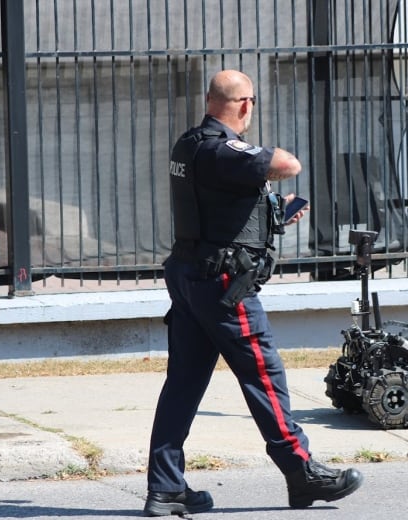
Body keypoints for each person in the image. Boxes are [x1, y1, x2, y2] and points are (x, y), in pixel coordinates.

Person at [143, 69, 363, 516]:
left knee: (182, 386)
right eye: (252, 103)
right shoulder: (226, 148)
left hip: (189, 278)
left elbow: (215, 205)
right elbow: (287, 164)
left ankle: (165, 488)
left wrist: (272, 210)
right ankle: (301, 472)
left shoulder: (189, 143)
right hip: (224, 286)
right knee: (264, 374)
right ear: (245, 104)